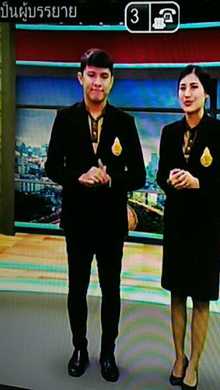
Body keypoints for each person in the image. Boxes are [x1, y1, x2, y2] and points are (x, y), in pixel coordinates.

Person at [45, 48, 146, 382]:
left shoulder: (125, 123)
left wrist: (110, 179)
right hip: (77, 220)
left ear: (111, 81)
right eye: (91, 75)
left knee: (110, 291)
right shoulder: (65, 118)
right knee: (77, 290)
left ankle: (108, 353)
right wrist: (79, 176)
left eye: (104, 76)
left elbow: (139, 175)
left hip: (110, 222)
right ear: (81, 78)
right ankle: (79, 348)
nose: (97, 82)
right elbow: (51, 167)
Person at [157, 65, 220, 390]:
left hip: (206, 226)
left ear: (205, 94)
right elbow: (160, 175)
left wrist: (198, 183)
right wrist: (170, 180)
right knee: (177, 294)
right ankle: (178, 357)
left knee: (201, 299)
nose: (187, 94)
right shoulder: (169, 132)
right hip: (177, 224)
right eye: (182, 87)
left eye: (193, 87)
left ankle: (195, 363)